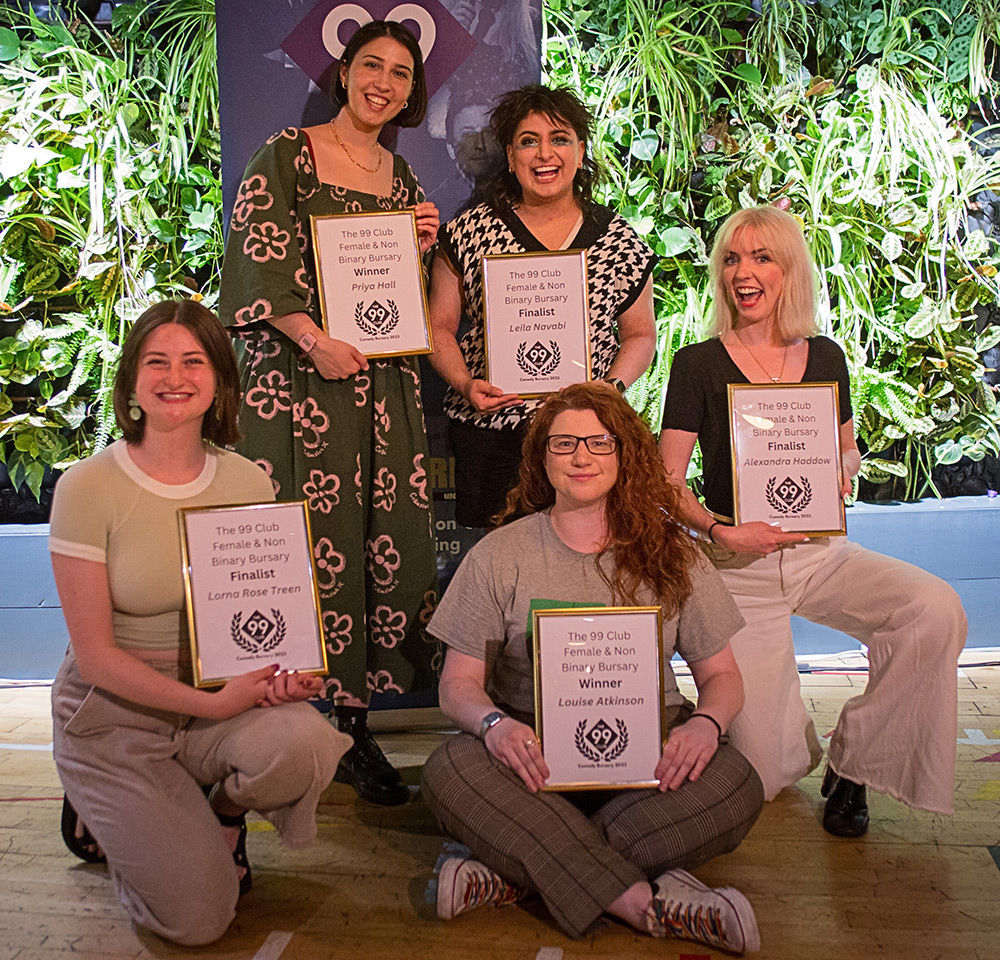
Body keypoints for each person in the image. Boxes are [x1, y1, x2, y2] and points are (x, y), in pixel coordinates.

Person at [421, 384, 764, 954]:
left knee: (737, 784)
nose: (581, 456)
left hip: (648, 763)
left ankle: (513, 874)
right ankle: (642, 897)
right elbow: (457, 688)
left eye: (599, 442)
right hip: (528, 765)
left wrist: (705, 725)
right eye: (563, 444)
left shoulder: (674, 553)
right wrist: (493, 726)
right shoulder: (498, 555)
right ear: (541, 459)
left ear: (624, 453)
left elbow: (722, 678)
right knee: (449, 768)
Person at [48, 300, 352, 945]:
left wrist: (278, 675)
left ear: (220, 381)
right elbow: (97, 657)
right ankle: (109, 808)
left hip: (217, 699)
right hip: (116, 714)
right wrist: (211, 707)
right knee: (201, 920)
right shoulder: (85, 486)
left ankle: (221, 814)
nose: (174, 376)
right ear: (131, 381)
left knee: (303, 741)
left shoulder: (246, 479)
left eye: (194, 360)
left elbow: (256, 616)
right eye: (156, 361)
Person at [659, 205, 967, 836]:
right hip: (736, 568)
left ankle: (857, 762)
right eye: (732, 259)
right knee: (765, 777)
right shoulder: (697, 364)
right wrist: (720, 529)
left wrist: (842, 467)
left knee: (934, 609)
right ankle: (779, 740)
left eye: (761, 257)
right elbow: (666, 487)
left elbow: (847, 445)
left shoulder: (825, 357)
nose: (743, 272)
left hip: (820, 555)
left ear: (790, 270)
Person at [219, 20, 441, 806]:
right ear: (344, 71)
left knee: (383, 544)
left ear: (413, 92)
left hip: (382, 391)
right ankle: (272, 726)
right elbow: (255, 258)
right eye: (372, 65)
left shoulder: (404, 177)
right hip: (298, 384)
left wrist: (416, 250)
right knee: (299, 546)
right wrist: (314, 341)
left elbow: (395, 303)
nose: (385, 81)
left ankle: (353, 727)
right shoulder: (287, 153)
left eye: (402, 73)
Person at [427, 84, 657, 528]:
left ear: (581, 149)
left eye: (559, 138)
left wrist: (613, 389)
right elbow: (438, 326)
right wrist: (464, 383)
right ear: (511, 157)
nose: (544, 154)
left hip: (587, 441)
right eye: (528, 141)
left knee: (586, 570)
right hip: (493, 439)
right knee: (498, 574)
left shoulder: (617, 238)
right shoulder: (466, 233)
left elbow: (641, 334)